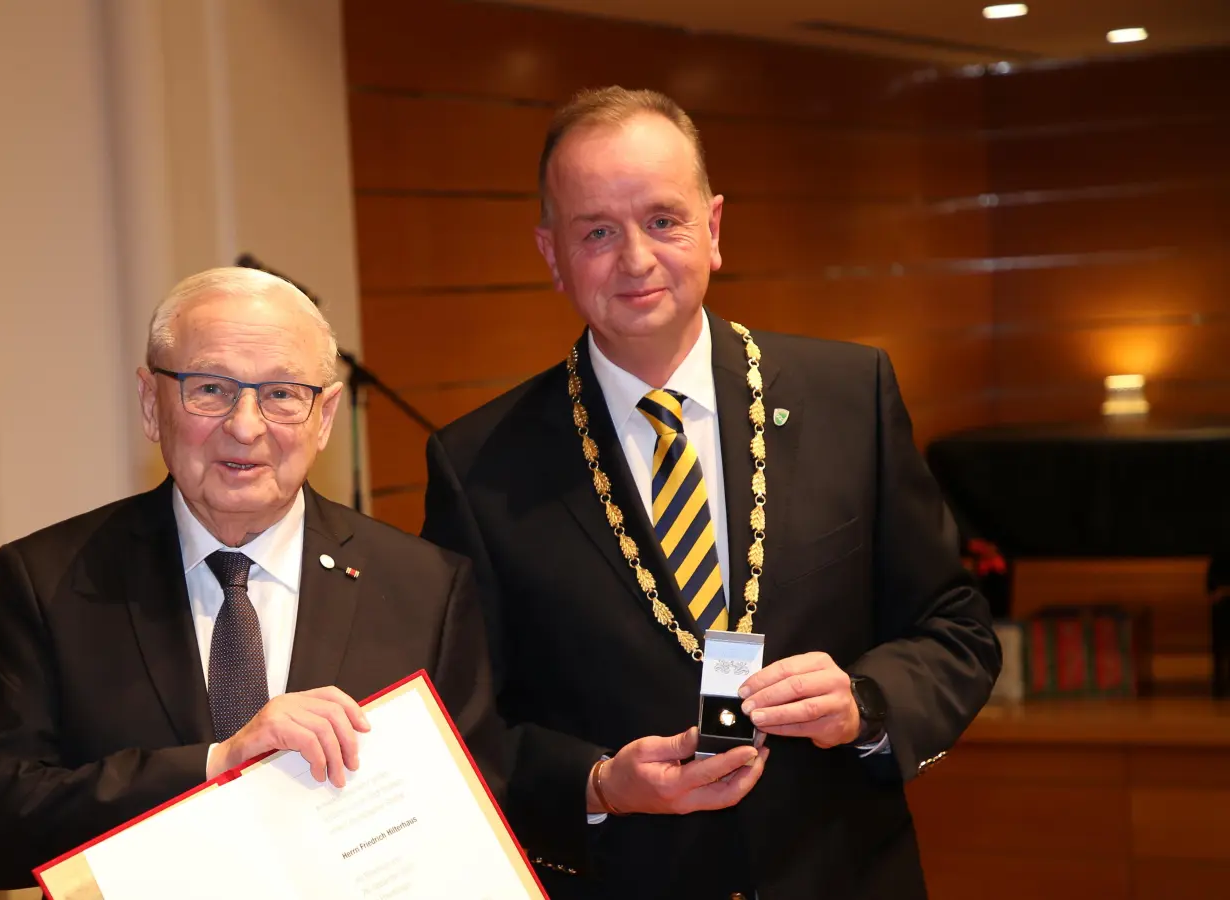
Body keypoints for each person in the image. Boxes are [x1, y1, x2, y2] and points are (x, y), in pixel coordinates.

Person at [421, 87, 1000, 899]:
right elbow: (460, 732)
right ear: (550, 254)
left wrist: (866, 704)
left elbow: (955, 631)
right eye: (596, 232)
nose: (635, 259)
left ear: (714, 227)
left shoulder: (848, 396)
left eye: (663, 220)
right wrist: (597, 784)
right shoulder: (478, 466)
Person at [0, 268, 501, 889]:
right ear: (150, 404)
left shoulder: (424, 587)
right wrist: (217, 765)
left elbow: (476, 825)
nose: (245, 425)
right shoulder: (52, 580)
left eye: (282, 394)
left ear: (325, 416)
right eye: (210, 388)